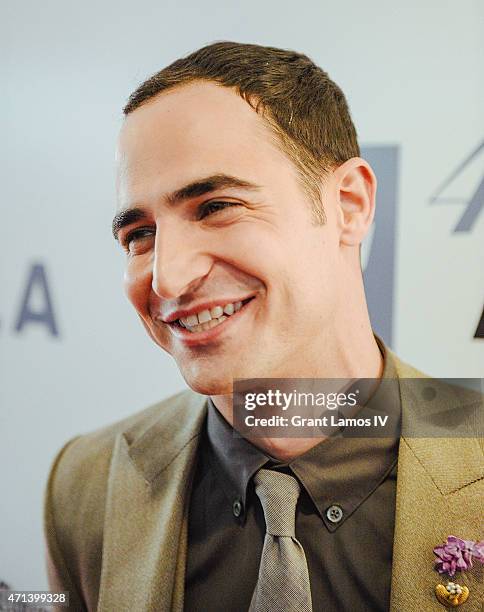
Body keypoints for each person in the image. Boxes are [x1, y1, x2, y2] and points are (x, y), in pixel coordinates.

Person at [44, 42, 483, 612]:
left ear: (349, 205)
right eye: (139, 236)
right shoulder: (85, 484)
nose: (168, 279)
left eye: (216, 206)